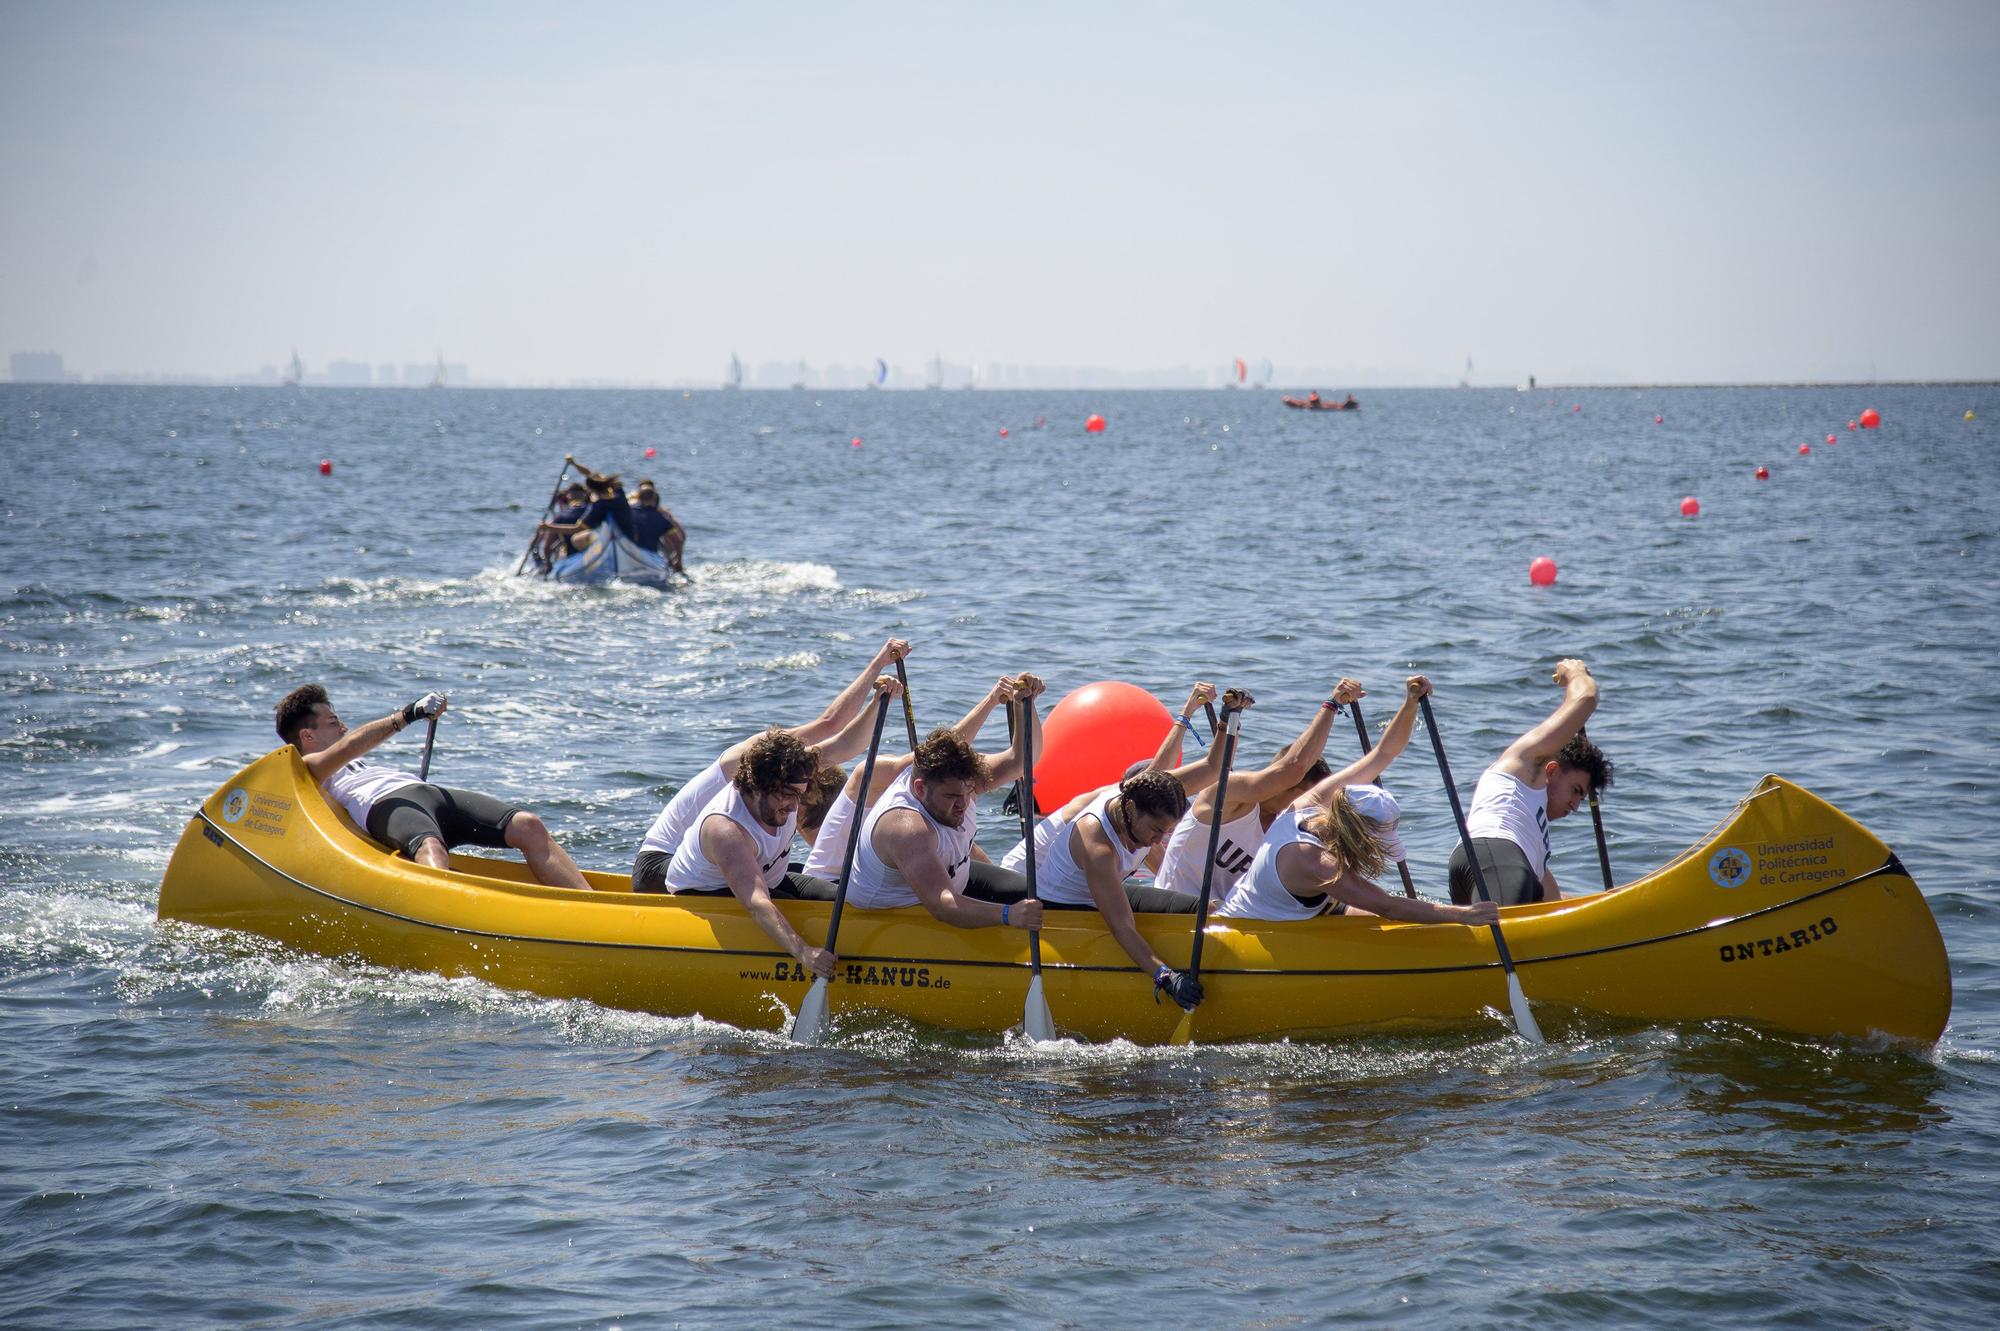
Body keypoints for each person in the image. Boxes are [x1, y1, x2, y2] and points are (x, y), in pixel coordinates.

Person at [1001, 683, 1239, 1011]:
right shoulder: (1097, 843)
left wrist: (1230, 718)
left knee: (1206, 906)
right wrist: (1166, 976)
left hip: (1108, 888)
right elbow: (1121, 926)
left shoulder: (1151, 791)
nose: (1158, 842)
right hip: (1066, 910)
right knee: (1135, 922)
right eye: (1156, 831)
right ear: (1129, 810)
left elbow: (1215, 769)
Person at [1214, 676, 1497, 927]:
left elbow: (1383, 754)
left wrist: (1410, 704)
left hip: (1301, 913)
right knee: (1395, 915)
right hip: (1247, 930)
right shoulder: (1315, 862)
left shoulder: (1312, 805)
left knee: (1399, 918)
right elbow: (1388, 906)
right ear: (1355, 833)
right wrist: (1461, 916)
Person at [633, 638, 912, 891]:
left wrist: (878, 701)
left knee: (804, 877)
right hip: (662, 866)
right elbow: (830, 724)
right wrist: (877, 664)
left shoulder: (786, 767)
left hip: (737, 859)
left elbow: (845, 746)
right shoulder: (745, 761)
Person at [274, 684, 589, 890]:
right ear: (308, 737)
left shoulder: (352, 761)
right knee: (431, 849)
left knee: (528, 825)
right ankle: (452, 918)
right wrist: (408, 714)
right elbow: (352, 745)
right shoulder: (307, 768)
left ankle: (592, 911)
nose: (342, 726)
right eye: (333, 722)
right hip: (383, 805)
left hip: (425, 794)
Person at [656, 708, 894, 981]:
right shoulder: (727, 830)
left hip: (772, 877)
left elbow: (847, 744)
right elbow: (757, 902)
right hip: (707, 895)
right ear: (758, 785)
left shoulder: (791, 774)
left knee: (841, 897)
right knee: (794, 910)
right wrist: (805, 953)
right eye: (787, 796)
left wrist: (878, 700)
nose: (795, 806)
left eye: (799, 795)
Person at [839, 675, 1050, 926]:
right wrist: (1008, 915)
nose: (963, 804)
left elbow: (1021, 760)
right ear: (920, 788)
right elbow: (943, 904)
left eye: (967, 793)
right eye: (951, 797)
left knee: (1044, 894)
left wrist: (1023, 703)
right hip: (893, 915)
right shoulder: (906, 827)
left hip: (951, 880)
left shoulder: (960, 781)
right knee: (1015, 909)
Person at [802, 673, 1032, 892]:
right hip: (839, 886)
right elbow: (944, 747)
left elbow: (966, 850)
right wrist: (990, 701)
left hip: (894, 874)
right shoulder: (873, 774)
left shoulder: (936, 801)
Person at [1153, 676, 1366, 905]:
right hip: (1177, 913)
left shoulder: (1290, 830)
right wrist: (1332, 704)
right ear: (1284, 784)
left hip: (1234, 922)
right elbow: (1293, 768)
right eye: (1308, 796)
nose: (1312, 808)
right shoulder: (1229, 796)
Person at [1447, 658, 1611, 907]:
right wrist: (1575, 673)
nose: (1576, 805)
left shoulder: (1532, 840)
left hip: (1477, 862)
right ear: (1553, 771)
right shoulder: (1526, 765)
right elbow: (1586, 698)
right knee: (1500, 932)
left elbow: (1554, 904)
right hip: (1493, 853)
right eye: (1576, 791)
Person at [628, 479, 687, 573]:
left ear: (639, 496)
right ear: (654, 498)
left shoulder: (629, 512)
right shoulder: (662, 518)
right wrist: (676, 560)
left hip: (633, 551)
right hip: (651, 553)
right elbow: (679, 539)